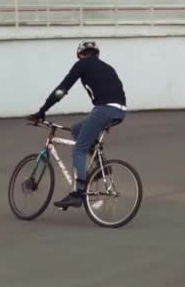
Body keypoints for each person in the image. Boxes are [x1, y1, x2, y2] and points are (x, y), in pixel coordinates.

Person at [28, 40, 127, 209]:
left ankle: (77, 193)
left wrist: (42, 110)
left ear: (80, 54)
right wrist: (110, 117)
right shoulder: (108, 67)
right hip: (119, 111)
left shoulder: (82, 64)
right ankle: (101, 166)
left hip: (103, 110)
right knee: (76, 130)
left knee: (79, 150)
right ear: (97, 54)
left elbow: (61, 90)